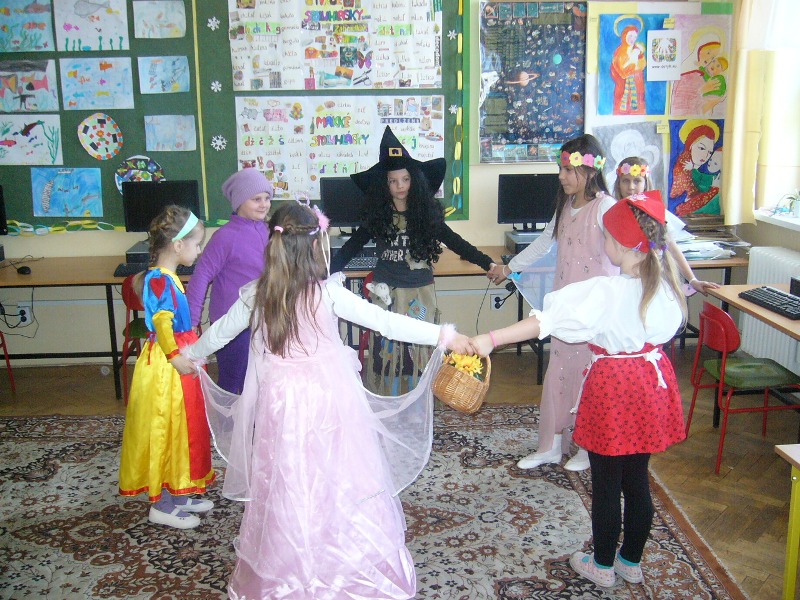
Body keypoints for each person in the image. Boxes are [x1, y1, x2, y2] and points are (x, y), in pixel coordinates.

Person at [182, 201, 475, 598]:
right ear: (315, 246)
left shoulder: (257, 295)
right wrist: (443, 335)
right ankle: (339, 555)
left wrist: (191, 355)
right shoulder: (327, 293)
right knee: (338, 472)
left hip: (282, 403)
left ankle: (290, 562)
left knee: (289, 476)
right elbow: (387, 322)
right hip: (330, 398)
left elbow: (219, 332)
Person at [474, 190, 688, 589]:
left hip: (614, 388)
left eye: (606, 236)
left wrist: (490, 339)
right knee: (637, 479)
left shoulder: (606, 292)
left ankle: (602, 565)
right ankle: (630, 561)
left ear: (621, 245)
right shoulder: (666, 286)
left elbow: (545, 322)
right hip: (650, 383)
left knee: (606, 483)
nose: (603, 242)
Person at [330, 125, 498, 394]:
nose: (400, 186)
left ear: (414, 181)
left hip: (419, 294)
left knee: (417, 351)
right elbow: (351, 247)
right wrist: (322, 272)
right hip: (386, 294)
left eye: (405, 179)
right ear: (384, 185)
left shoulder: (426, 216)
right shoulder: (378, 217)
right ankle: (388, 397)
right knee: (386, 350)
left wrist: (488, 263)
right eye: (393, 181)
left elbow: (456, 242)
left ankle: (417, 397)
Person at [488, 134, 618, 472]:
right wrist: (508, 268)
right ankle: (551, 445)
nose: (561, 176)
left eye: (567, 170)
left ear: (589, 170)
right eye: (560, 169)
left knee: (588, 378)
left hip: (593, 313)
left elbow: (624, 254)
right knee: (559, 375)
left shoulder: (605, 208)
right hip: (564, 308)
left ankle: (586, 447)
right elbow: (544, 242)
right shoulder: (566, 206)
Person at [118, 205, 215, 530]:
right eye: (197, 244)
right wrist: (175, 357)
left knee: (184, 428)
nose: (198, 251)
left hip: (177, 359)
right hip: (166, 366)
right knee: (167, 428)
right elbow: (161, 321)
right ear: (178, 245)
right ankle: (161, 505)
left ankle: (179, 489)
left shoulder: (167, 277)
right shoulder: (160, 280)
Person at [186, 168, 272, 394]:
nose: (264, 204)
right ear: (239, 202)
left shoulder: (271, 232)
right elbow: (201, 276)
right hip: (232, 326)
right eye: (256, 199)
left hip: (264, 321)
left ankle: (256, 418)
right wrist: (192, 321)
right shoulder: (225, 236)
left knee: (262, 384)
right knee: (233, 384)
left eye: (267, 198)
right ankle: (229, 418)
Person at [613, 156, 720, 296]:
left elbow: (672, 247)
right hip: (623, 283)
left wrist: (692, 280)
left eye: (637, 181)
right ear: (618, 183)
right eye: (625, 181)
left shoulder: (656, 212)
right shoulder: (613, 213)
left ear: (645, 183)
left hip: (652, 282)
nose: (631, 187)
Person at [669, 120, 720, 216]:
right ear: (690, 145)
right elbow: (684, 207)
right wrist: (714, 190)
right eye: (702, 148)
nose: (706, 156)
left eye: (710, 152)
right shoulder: (683, 168)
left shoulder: (692, 168)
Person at [610, 24, 646, 115]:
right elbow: (623, 72)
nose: (632, 39)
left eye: (635, 37)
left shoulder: (638, 50)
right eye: (630, 36)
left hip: (637, 87)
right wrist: (633, 61)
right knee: (621, 112)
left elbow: (642, 64)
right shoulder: (619, 52)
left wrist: (635, 61)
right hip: (623, 88)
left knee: (638, 111)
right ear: (624, 35)